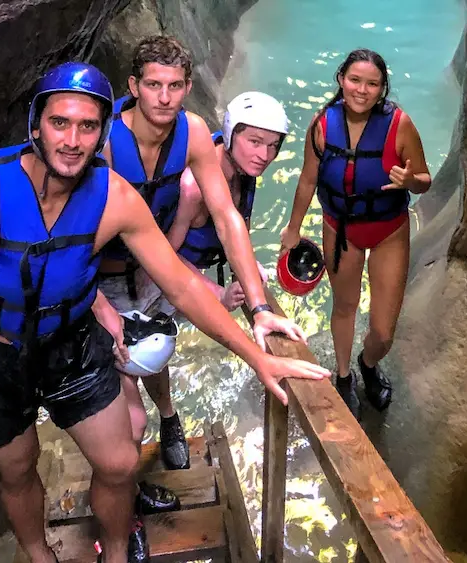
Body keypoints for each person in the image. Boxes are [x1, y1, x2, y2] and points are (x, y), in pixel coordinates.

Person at [0, 62, 330, 563]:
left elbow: (179, 283)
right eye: (60, 123)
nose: (72, 140)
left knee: (120, 461)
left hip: (71, 342)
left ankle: (114, 555)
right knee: (17, 470)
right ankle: (40, 555)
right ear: (35, 126)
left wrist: (256, 354)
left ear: (101, 132)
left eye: (88, 127)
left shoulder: (114, 199)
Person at [94, 36, 307, 474]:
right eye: (154, 85)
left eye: (174, 86)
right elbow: (75, 235)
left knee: (154, 359)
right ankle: (127, 495)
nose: (164, 97)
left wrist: (261, 307)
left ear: (188, 86)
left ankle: (169, 418)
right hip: (106, 281)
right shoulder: (107, 140)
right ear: (134, 86)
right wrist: (94, 300)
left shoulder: (189, 132)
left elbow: (228, 218)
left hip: (154, 277)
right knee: (126, 413)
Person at [279, 48, 431, 421]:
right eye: (354, 80)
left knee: (383, 330)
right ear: (341, 80)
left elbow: (424, 180)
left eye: (372, 84)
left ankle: (368, 361)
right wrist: (293, 227)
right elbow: (307, 179)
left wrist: (410, 180)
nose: (361, 90)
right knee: (344, 306)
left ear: (382, 89)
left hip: (388, 232)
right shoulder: (322, 125)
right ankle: (345, 377)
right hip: (340, 228)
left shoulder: (400, 125)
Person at [166, 91, 289, 307]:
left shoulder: (245, 169)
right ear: (231, 135)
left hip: (194, 274)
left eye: (273, 145)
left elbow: (239, 228)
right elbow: (164, 256)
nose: (265, 155)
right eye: (255, 142)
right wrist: (218, 294)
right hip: (161, 287)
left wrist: (248, 264)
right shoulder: (194, 187)